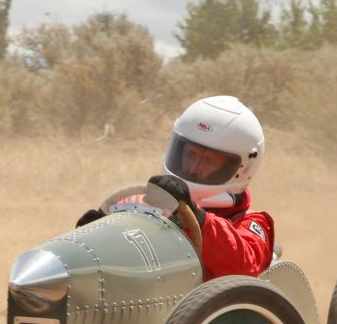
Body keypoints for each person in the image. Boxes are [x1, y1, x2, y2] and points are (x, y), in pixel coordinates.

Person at [78, 95, 274, 280]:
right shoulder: (145, 203)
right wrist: (97, 233)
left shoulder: (252, 222)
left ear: (243, 168)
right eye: (190, 155)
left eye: (208, 161)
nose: (194, 168)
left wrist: (197, 217)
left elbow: (243, 265)